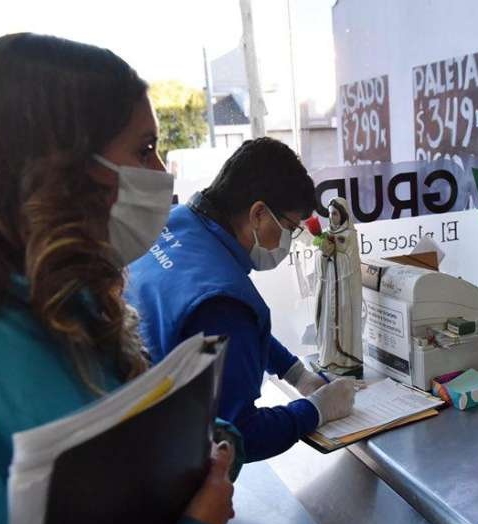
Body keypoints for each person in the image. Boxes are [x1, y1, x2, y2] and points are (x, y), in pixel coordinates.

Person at [0, 34, 248, 524]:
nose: (161, 174)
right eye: (144, 150)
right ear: (57, 166)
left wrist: (204, 450)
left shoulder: (68, 306)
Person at [127, 137, 355, 462]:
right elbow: (236, 437)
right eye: (290, 227)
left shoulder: (171, 223)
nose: (289, 240)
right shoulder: (224, 300)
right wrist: (316, 410)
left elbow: (228, 331)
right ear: (258, 214)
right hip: (160, 463)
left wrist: (295, 372)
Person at [314, 197, 364, 377]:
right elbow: (318, 263)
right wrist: (323, 254)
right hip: (328, 286)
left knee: (343, 321)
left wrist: (334, 253)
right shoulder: (325, 234)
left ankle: (345, 359)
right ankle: (329, 357)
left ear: (343, 214)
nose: (332, 217)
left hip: (344, 290)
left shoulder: (350, 235)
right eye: (329, 214)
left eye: (335, 214)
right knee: (326, 319)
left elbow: (351, 265)